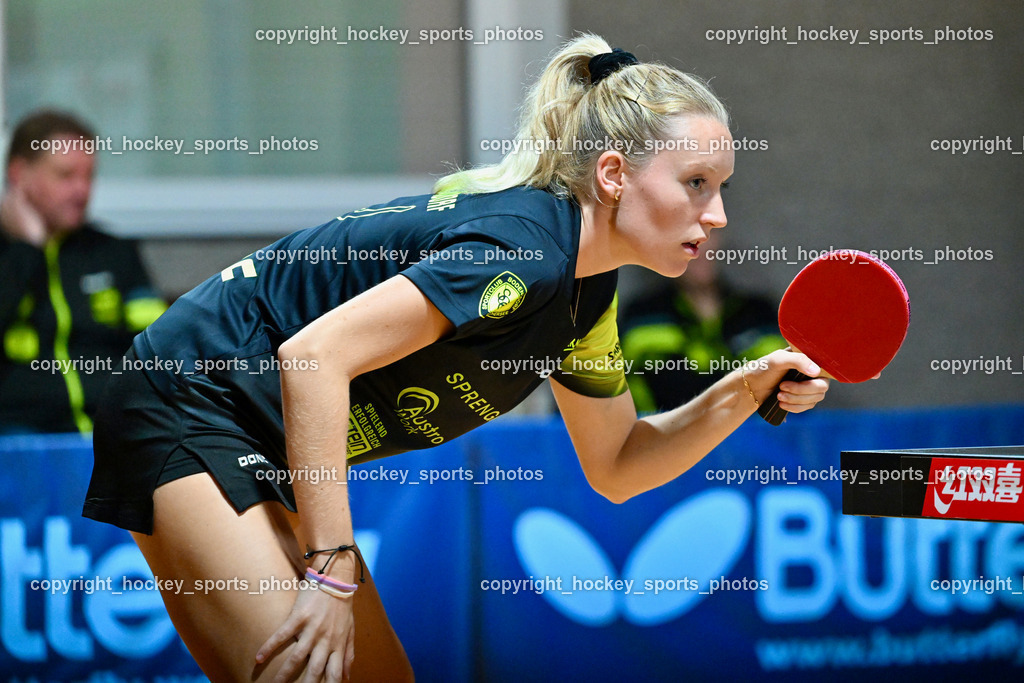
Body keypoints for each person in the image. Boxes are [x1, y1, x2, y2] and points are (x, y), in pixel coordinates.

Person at [83, 34, 830, 682]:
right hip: (186, 394)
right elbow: (314, 356)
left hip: (257, 430)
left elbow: (618, 463)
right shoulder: (523, 252)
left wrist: (743, 389)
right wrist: (331, 566)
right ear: (612, 175)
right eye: (695, 183)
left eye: (721, 187)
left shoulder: (585, 295)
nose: (717, 214)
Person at [0, 109, 167, 434]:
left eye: (88, 176)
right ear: (19, 174)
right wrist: (27, 250)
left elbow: (161, 345)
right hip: (19, 439)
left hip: (114, 434)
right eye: (65, 176)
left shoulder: (113, 251)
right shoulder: (9, 254)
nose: (82, 190)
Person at [620, 230, 787, 412]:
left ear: (720, 238)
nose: (700, 246)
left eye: (708, 231)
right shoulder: (642, 316)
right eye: (687, 236)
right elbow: (627, 393)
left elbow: (786, 386)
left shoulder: (759, 313)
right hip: (666, 428)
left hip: (759, 430)